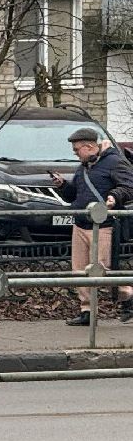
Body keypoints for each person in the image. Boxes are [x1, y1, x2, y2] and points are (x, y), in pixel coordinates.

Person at [53, 127, 133, 326]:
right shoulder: (83, 168)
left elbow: (129, 186)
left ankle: (128, 296)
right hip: (81, 223)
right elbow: (76, 195)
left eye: (77, 149)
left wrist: (115, 197)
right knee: (79, 270)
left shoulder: (114, 162)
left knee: (101, 269)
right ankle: (87, 310)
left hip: (103, 224)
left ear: (89, 147)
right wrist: (63, 186)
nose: (75, 153)